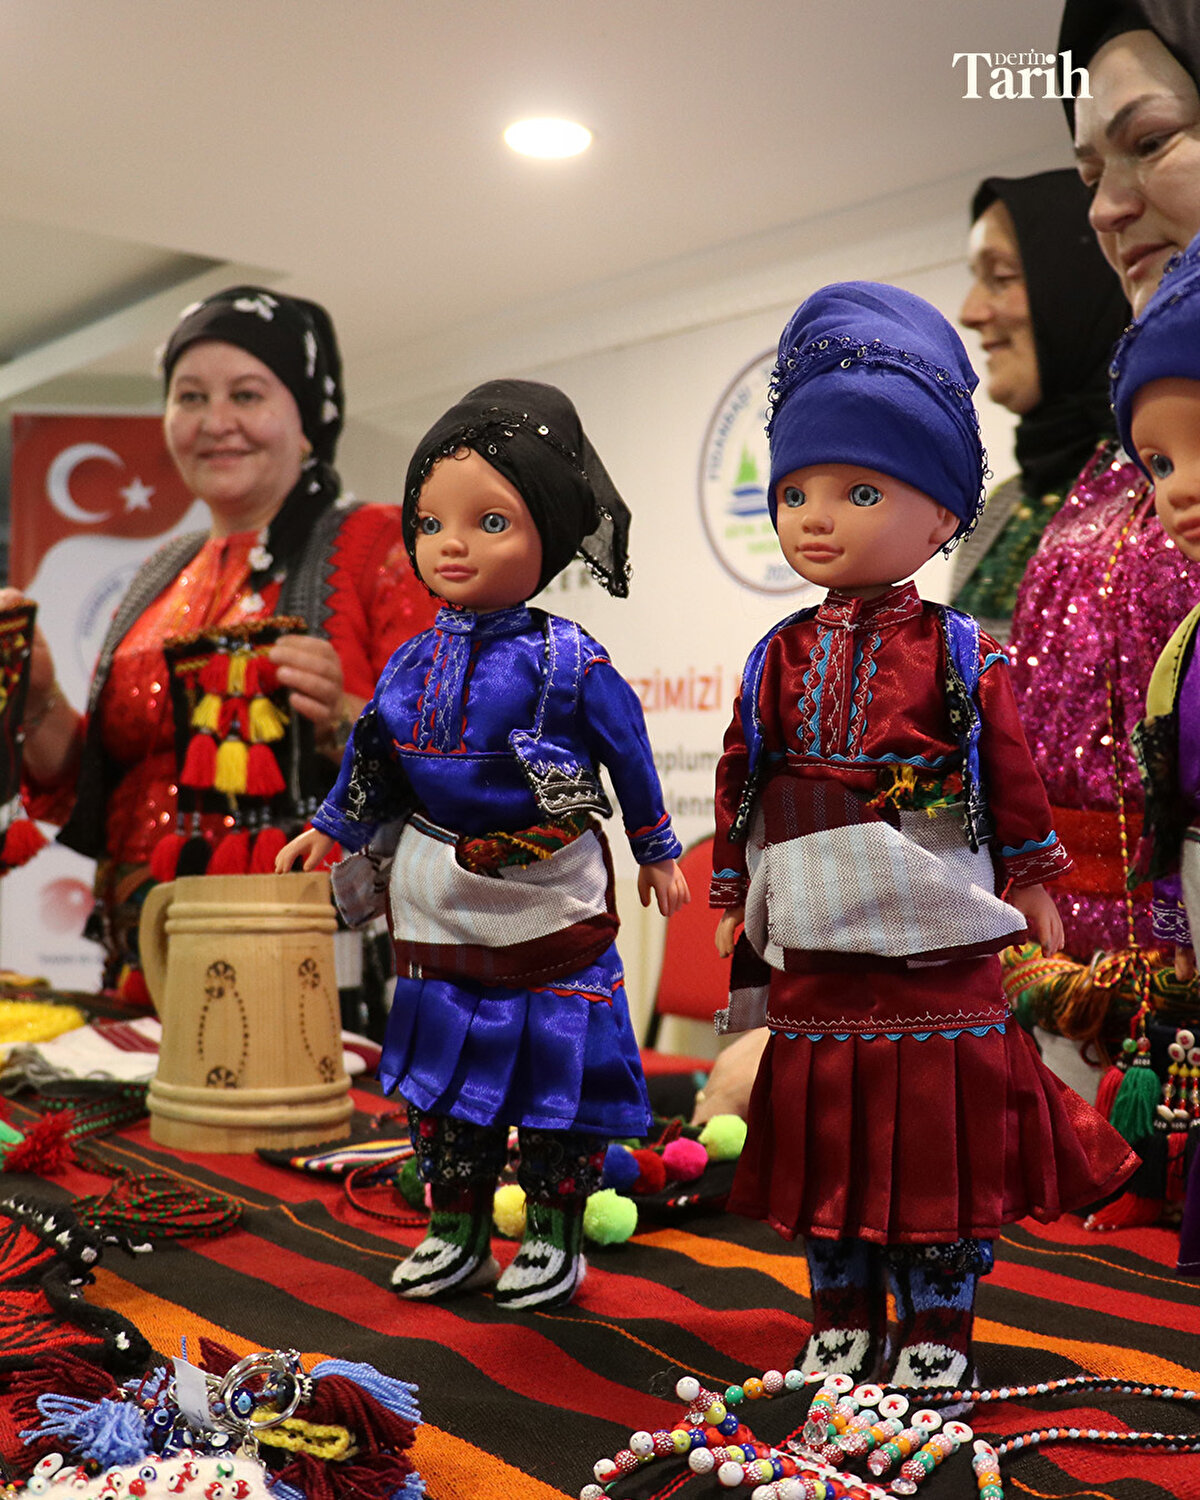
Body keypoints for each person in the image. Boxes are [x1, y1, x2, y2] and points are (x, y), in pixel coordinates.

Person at [710, 282, 1136, 1389]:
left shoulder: (961, 654)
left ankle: (937, 1327)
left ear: (942, 515)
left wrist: (1037, 877)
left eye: (858, 489)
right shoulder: (774, 657)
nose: (816, 515)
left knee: (936, 1147)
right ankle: (843, 1311)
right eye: (796, 489)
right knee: (823, 1145)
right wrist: (724, 891)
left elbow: (1011, 770)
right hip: (814, 952)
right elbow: (739, 779)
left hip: (934, 942)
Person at [279, 379, 689, 1311]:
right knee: (441, 1078)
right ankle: (455, 1227)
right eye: (430, 522)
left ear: (548, 531)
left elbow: (626, 751)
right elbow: (374, 756)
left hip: (545, 890)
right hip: (436, 895)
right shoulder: (409, 659)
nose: (451, 544)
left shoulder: (569, 658)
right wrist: (332, 827)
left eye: (489, 520)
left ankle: (551, 1234)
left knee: (556, 1073)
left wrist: (658, 847)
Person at [0, 286, 435, 998]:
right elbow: (96, 798)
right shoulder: (157, 574)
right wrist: (39, 697)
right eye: (191, 396)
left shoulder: (380, 544)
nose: (216, 422)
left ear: (308, 420)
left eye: (247, 394)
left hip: (308, 976)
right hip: (144, 958)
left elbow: (460, 761)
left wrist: (344, 715)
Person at [953, 170, 1129, 642]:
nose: (969, 312)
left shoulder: (1168, 501)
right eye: (977, 280)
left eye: (1001, 277)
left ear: (1074, 288)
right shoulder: (999, 510)